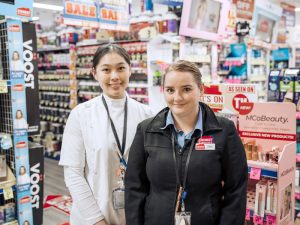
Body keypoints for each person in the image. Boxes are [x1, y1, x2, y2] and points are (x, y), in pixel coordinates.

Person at [125, 60, 248, 225]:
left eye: (186, 89)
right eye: (170, 90)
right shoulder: (146, 130)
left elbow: (236, 190)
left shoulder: (224, 130)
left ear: (201, 89)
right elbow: (134, 188)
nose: (177, 97)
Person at [59, 44, 153, 225]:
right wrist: (97, 220)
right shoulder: (81, 114)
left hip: (136, 215)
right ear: (95, 73)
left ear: (130, 70)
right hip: (92, 217)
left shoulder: (147, 115)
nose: (114, 76)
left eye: (120, 68)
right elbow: (73, 173)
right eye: (106, 70)